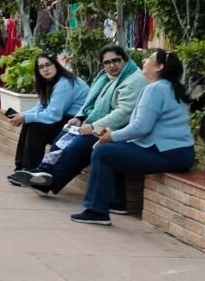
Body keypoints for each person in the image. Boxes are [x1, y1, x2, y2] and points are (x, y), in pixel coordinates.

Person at [72, 49, 196, 225]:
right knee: (113, 149)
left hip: (167, 153)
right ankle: (116, 203)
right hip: (179, 153)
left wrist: (112, 136)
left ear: (159, 66)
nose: (145, 60)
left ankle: (97, 211)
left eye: (150, 58)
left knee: (103, 152)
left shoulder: (155, 89)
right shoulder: (170, 87)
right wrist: (113, 137)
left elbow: (141, 127)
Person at [22, 45, 147, 196]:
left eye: (116, 60)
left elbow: (123, 113)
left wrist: (93, 126)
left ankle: (47, 183)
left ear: (125, 60)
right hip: (98, 124)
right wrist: (79, 118)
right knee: (63, 136)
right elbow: (90, 103)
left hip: (117, 131)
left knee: (78, 145)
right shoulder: (104, 77)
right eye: (107, 62)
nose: (112, 65)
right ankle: (42, 171)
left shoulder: (133, 80)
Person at [6, 53, 89, 183]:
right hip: (63, 119)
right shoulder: (48, 83)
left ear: (55, 65)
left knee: (36, 127)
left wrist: (26, 117)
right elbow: (40, 107)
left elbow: (53, 115)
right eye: (41, 67)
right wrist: (22, 115)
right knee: (30, 122)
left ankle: (31, 171)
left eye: (48, 65)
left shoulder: (64, 83)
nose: (45, 69)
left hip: (76, 123)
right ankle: (21, 168)